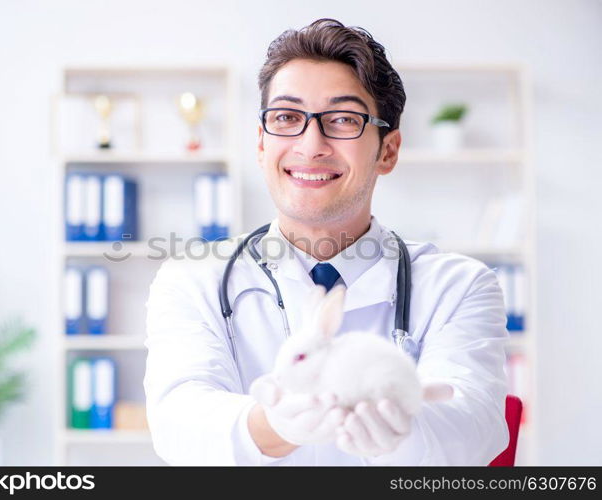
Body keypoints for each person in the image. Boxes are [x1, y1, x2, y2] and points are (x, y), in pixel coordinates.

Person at [143, 18, 509, 466]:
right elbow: (178, 421)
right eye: (286, 117)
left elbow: (474, 425)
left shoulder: (460, 285)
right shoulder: (193, 278)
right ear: (261, 144)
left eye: (342, 119)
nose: (310, 144)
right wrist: (272, 426)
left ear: (388, 151)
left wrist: (401, 432)